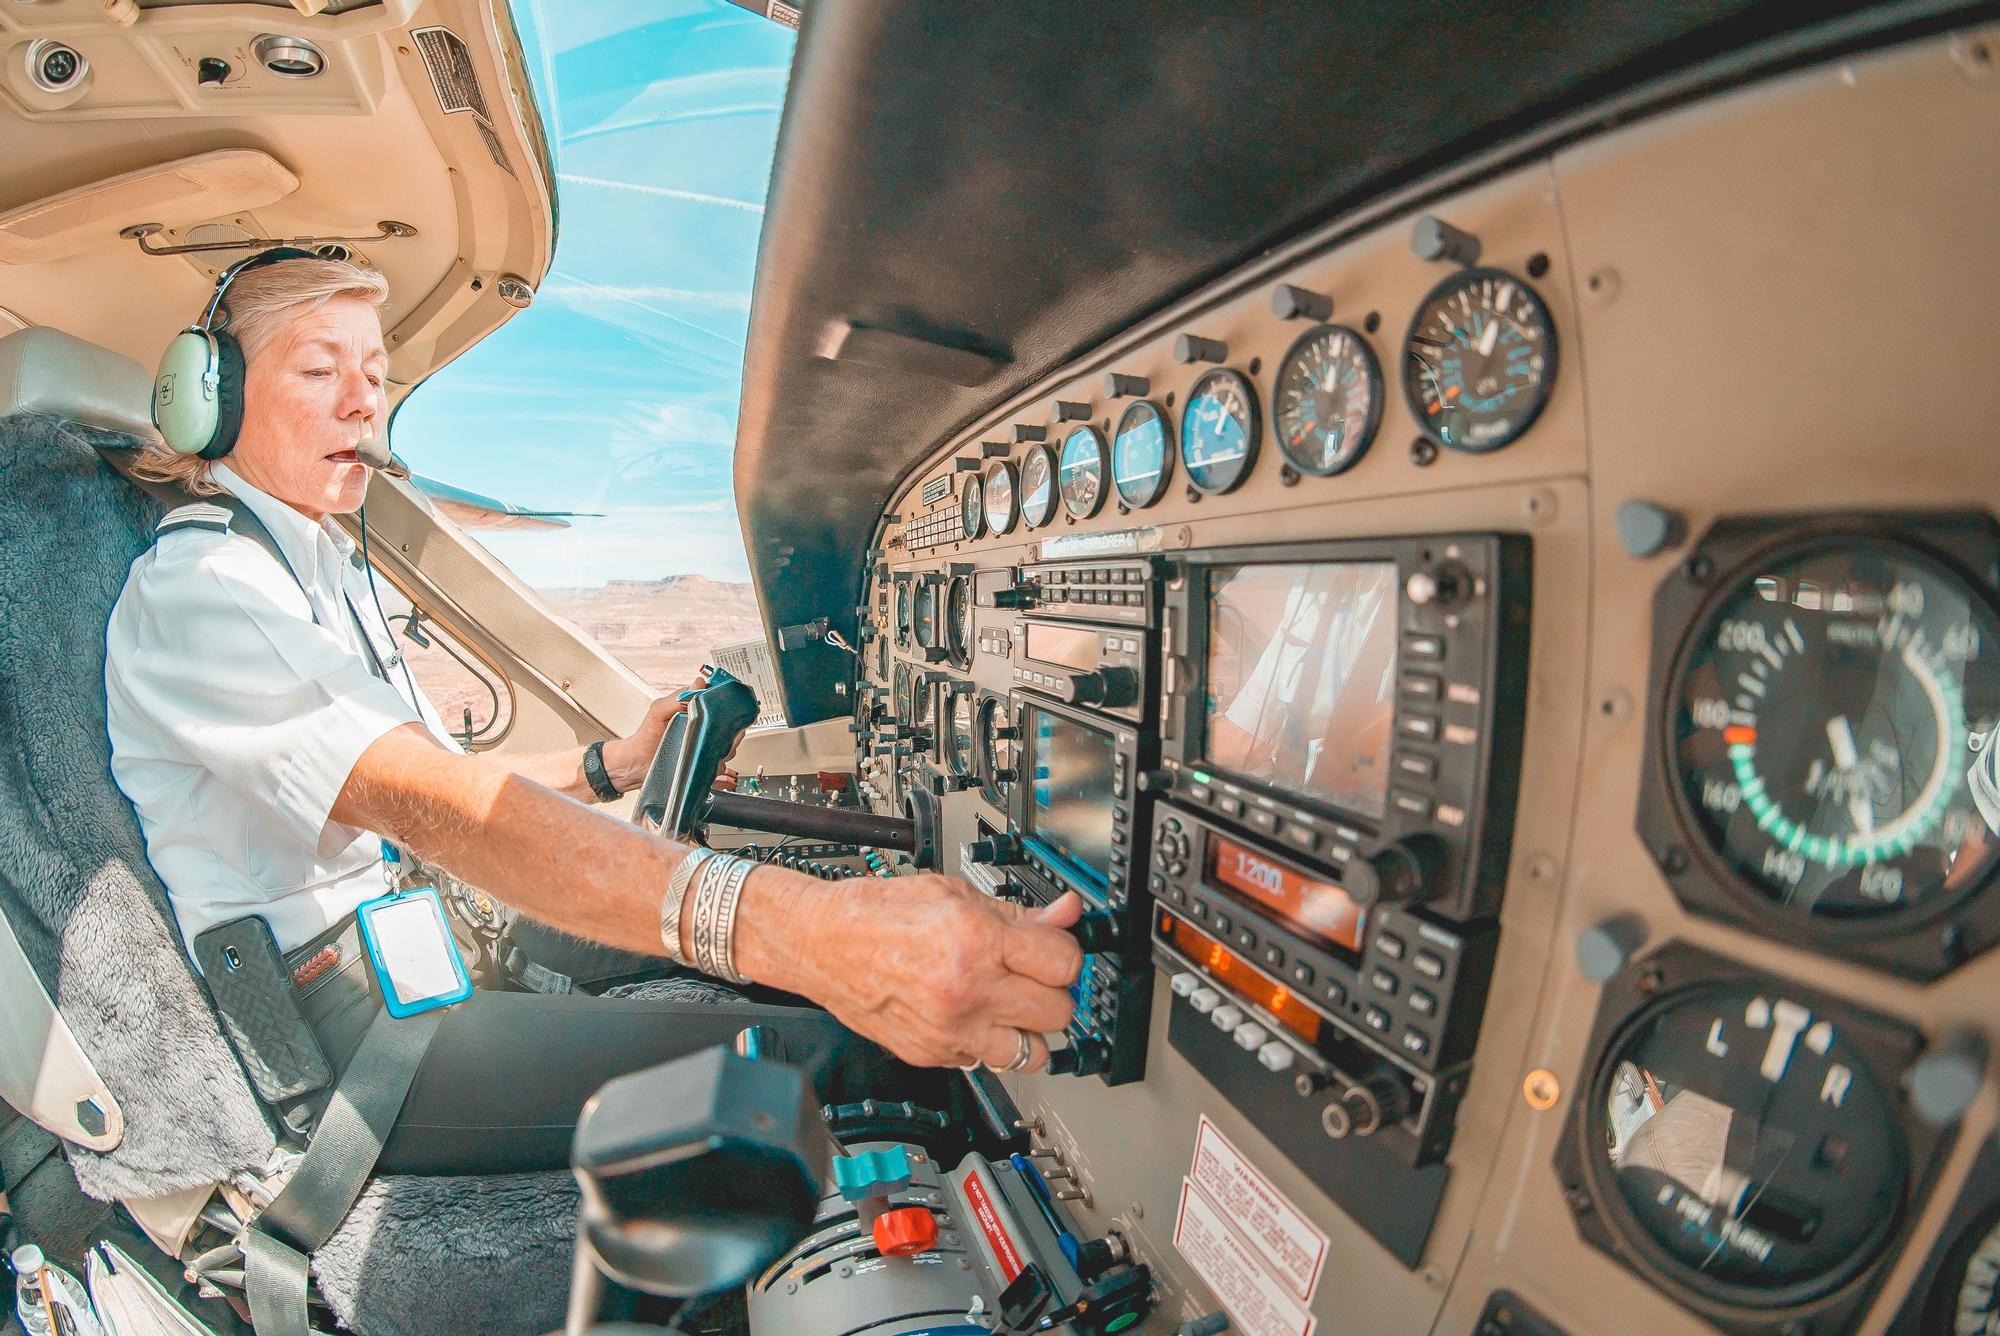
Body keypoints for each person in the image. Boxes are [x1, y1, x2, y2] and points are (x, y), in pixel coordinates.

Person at [104, 254, 1080, 1174]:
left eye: (374, 371)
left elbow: (452, 790)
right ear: (211, 399)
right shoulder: (211, 586)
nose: (365, 401)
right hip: (347, 1033)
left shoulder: (307, 563)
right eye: (320, 369)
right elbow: (431, 806)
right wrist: (809, 931)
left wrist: (615, 763)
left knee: (767, 947)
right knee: (820, 1053)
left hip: (418, 946)